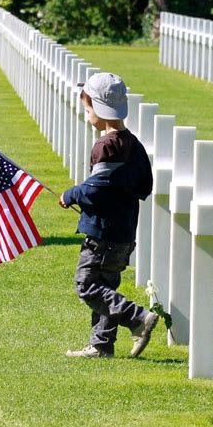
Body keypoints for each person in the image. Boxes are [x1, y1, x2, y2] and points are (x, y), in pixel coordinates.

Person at [59, 72, 158, 358]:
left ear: (98, 109)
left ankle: (137, 318)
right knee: (106, 285)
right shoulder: (134, 145)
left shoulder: (105, 146)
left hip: (103, 234)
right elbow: (144, 186)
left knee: (87, 284)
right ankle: (102, 345)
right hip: (126, 232)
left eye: (88, 109)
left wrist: (71, 194)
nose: (87, 114)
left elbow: (95, 191)